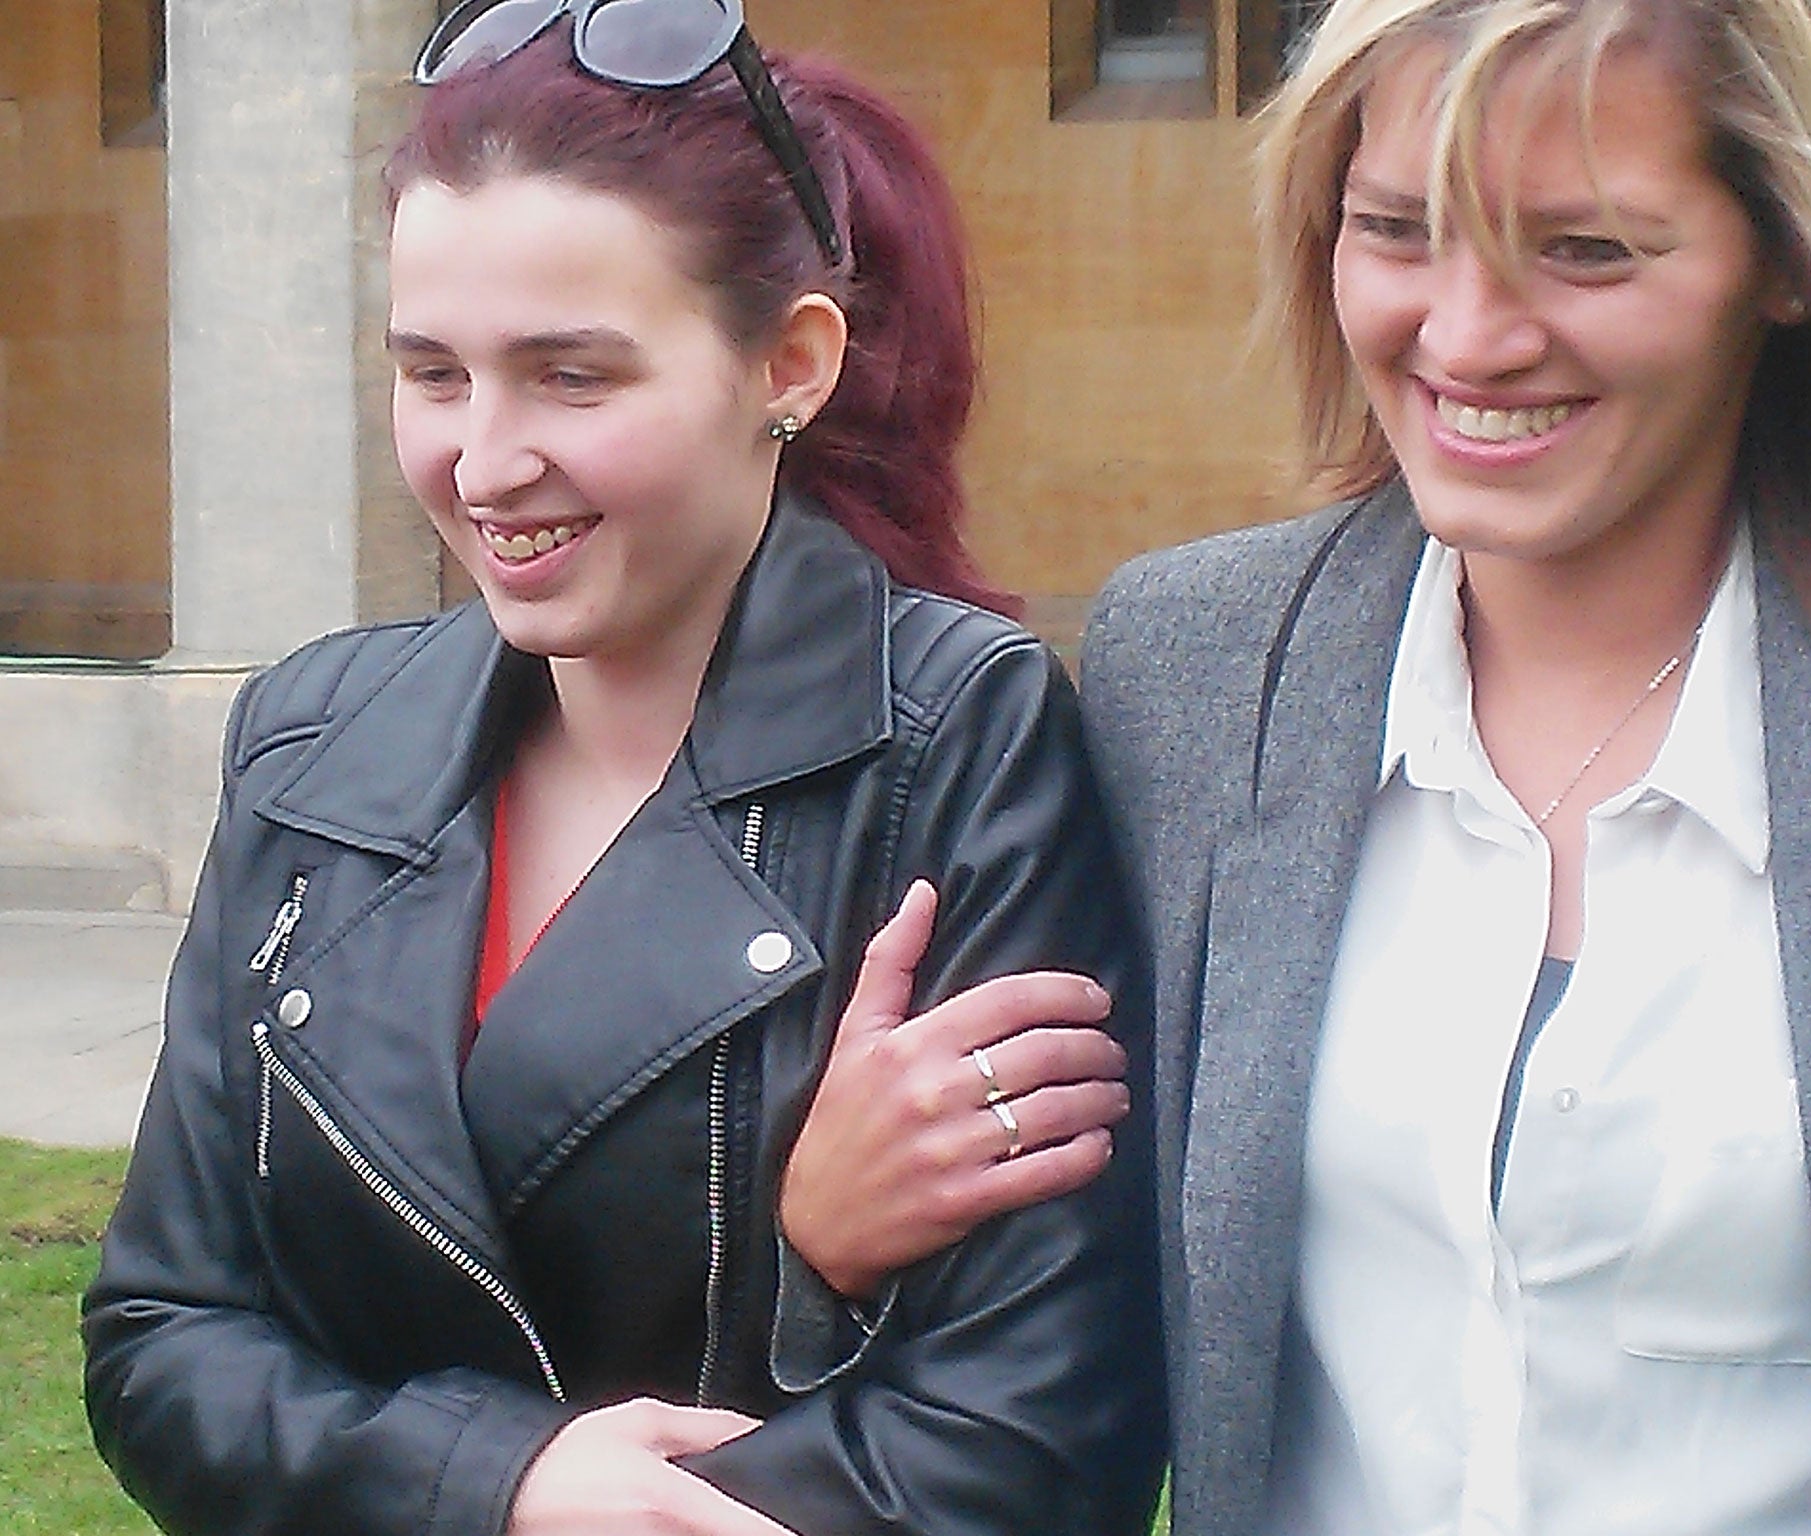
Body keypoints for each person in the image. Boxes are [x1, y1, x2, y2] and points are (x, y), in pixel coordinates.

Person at [81, 5, 1162, 1534]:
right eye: (433, 373)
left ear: (788, 363)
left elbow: (1028, 1446)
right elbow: (160, 1344)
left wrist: (798, 1294)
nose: (484, 459)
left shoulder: (957, 745)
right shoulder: (312, 745)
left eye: (572, 377)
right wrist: (507, 1485)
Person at [1076, 0, 1811, 1532]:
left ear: (1794, 255)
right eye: (1395, 230)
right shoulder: (1192, 672)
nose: (1466, 337)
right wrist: (838, 1228)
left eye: (1587, 250)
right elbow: (1067, 1314)